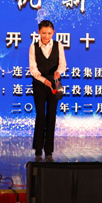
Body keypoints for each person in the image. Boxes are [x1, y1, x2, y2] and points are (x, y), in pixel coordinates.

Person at [29, 20, 66, 161]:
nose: (46, 36)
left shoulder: (58, 45)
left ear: (53, 33)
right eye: (44, 33)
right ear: (39, 32)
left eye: (49, 33)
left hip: (54, 84)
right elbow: (33, 69)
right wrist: (43, 80)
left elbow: (63, 64)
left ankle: (49, 151)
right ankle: (38, 150)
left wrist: (58, 72)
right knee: (40, 116)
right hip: (39, 84)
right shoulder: (33, 47)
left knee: (51, 116)